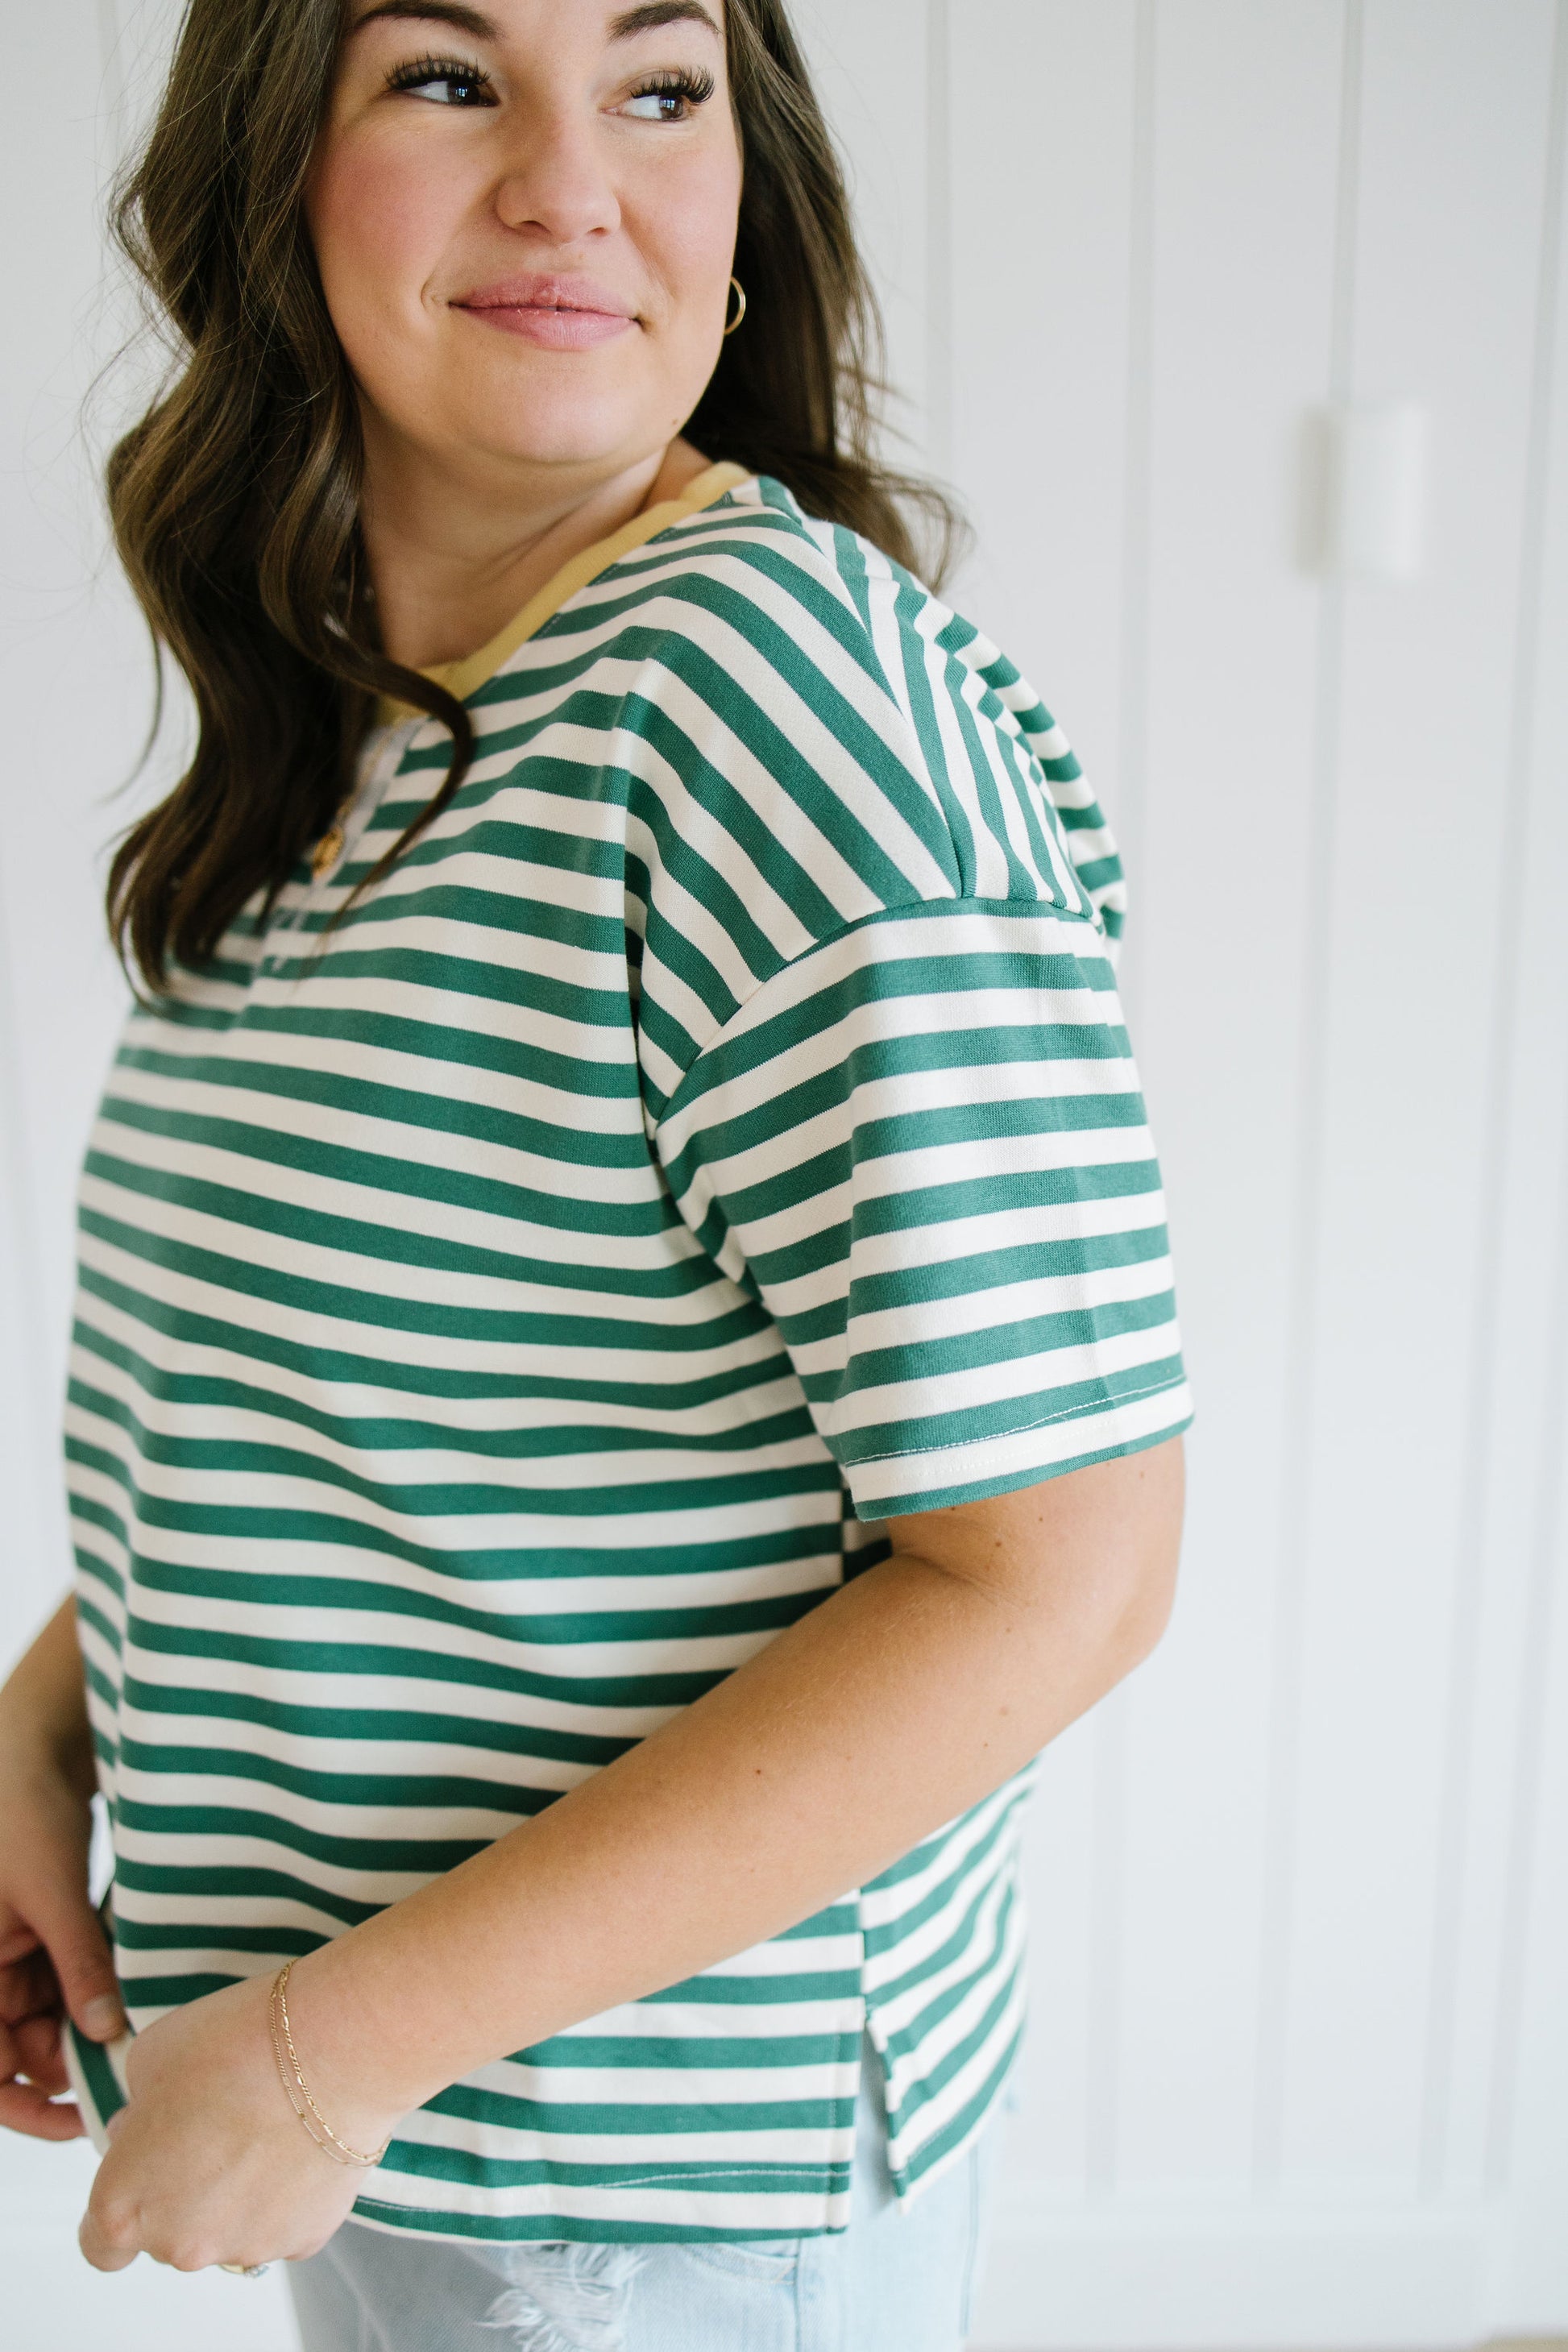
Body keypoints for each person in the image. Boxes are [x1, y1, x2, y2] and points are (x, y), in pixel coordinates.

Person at [0, 2, 1192, 2344]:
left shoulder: (767, 701)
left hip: (633, 2189)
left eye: (661, 90)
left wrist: (330, 2053)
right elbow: (354, 1422)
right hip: (411, 2118)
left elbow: (1062, 1575)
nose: (572, 182)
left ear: (746, 209)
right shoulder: (375, 716)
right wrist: (51, 1724)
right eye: (449, 79)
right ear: (272, 176)